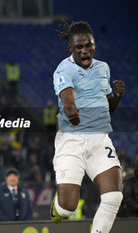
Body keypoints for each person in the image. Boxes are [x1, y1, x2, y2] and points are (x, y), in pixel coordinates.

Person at [49, 21, 125, 233]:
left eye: (88, 45)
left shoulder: (103, 68)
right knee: (67, 208)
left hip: (99, 140)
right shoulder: (64, 69)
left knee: (114, 195)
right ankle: (59, 205)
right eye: (79, 47)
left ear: (94, 45)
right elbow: (67, 97)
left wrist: (117, 97)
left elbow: (107, 109)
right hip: (72, 140)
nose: (85, 51)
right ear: (70, 48)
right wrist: (70, 110)